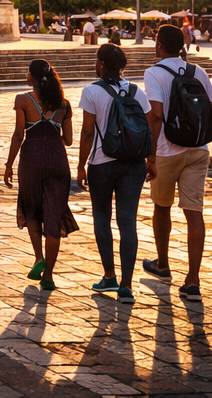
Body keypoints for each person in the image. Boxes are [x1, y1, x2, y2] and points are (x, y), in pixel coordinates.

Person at [142, 23, 212, 303]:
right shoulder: (197, 71)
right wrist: (199, 132)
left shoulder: (153, 72)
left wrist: (150, 157)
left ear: (160, 45)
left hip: (167, 150)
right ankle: (193, 280)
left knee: (161, 207)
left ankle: (163, 264)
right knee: (194, 212)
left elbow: (154, 115)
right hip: (198, 150)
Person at [77, 43, 150, 304]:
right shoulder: (136, 92)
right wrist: (150, 161)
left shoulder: (91, 92)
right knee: (127, 222)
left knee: (102, 217)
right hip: (134, 163)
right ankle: (127, 286)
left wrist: (80, 165)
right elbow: (148, 128)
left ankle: (109, 275)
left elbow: (87, 132)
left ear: (102, 65)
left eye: (98, 61)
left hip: (102, 162)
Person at [4, 58, 78, 291]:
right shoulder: (64, 104)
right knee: (54, 215)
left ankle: (38, 257)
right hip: (57, 159)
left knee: (32, 208)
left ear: (32, 78)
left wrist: (8, 164)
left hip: (32, 159)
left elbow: (18, 134)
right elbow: (68, 140)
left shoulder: (23, 100)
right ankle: (48, 275)